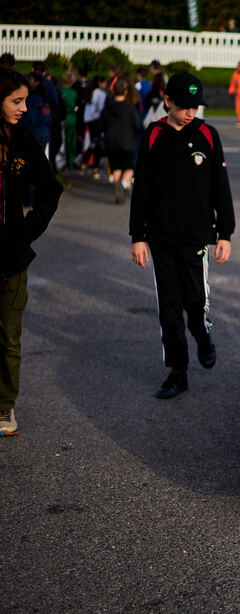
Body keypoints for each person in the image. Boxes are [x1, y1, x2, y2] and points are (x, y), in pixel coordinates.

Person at [129, 72, 235, 399]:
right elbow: (141, 189)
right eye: (185, 106)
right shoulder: (153, 135)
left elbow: (221, 187)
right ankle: (178, 371)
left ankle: (203, 337)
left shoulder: (207, 134)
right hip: (161, 238)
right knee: (169, 309)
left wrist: (225, 233)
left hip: (196, 237)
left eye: (196, 106)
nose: (191, 112)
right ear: (168, 102)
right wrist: (138, 236)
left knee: (195, 303)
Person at [0, 67, 63, 436]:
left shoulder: (24, 139)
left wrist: (27, 231)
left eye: (25, 99)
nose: (24, 107)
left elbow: (50, 189)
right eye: (16, 101)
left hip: (12, 257)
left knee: (8, 336)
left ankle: (5, 407)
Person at [100, 79, 142, 203]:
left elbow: (101, 125)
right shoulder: (130, 108)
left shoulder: (107, 107)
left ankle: (118, 188)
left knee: (116, 167)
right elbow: (137, 125)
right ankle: (124, 184)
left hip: (111, 141)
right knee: (129, 167)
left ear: (113, 92)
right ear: (126, 92)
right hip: (127, 141)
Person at [82, 75, 107, 178]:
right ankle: (94, 165)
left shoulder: (90, 91)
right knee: (96, 143)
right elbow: (101, 108)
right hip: (96, 120)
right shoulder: (100, 93)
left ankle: (85, 162)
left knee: (92, 142)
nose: (106, 85)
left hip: (88, 119)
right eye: (104, 82)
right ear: (100, 83)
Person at [23, 72, 53, 159]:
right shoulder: (44, 98)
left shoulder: (33, 98)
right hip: (45, 131)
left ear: (37, 82)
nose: (28, 82)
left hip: (36, 131)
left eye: (31, 80)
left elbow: (31, 118)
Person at [60, 69, 79, 169]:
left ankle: (64, 159)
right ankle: (71, 159)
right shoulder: (73, 93)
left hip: (63, 117)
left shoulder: (61, 91)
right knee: (72, 139)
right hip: (71, 116)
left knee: (64, 139)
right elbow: (75, 106)